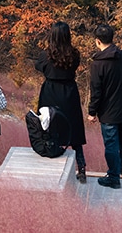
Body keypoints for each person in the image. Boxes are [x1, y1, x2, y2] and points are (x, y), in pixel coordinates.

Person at [34, 21, 88, 183]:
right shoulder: (74, 54)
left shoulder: (46, 55)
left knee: (49, 126)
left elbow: (38, 67)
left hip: (50, 92)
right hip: (69, 92)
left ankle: (48, 168)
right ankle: (82, 168)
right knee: (74, 129)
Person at [86, 24, 122, 189]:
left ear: (97, 41)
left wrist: (92, 112)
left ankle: (114, 177)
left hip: (108, 112)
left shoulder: (97, 64)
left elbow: (96, 91)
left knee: (111, 144)